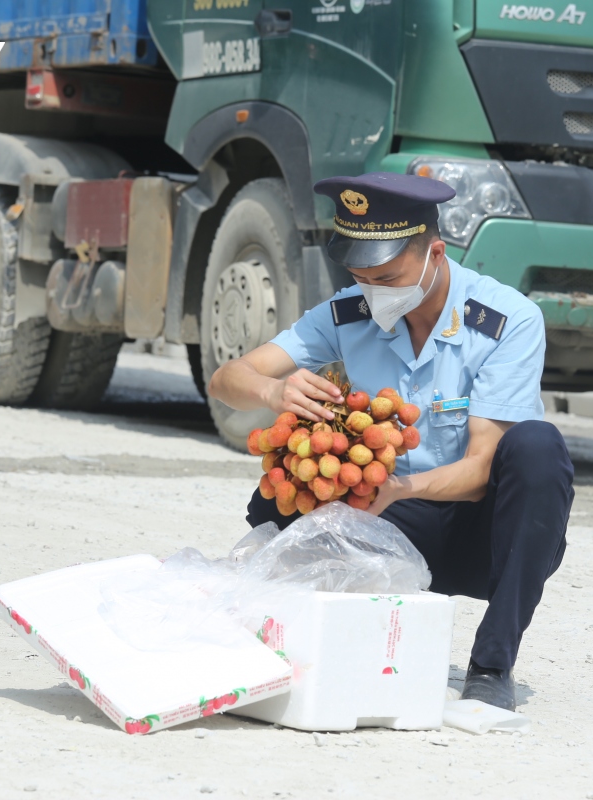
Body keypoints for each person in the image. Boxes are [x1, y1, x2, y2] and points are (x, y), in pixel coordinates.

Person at [208, 172, 574, 711]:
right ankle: (295, 628)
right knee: (287, 483)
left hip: (486, 537)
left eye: (386, 274)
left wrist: (397, 488)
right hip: (395, 525)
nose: (372, 289)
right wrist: (273, 388)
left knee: (539, 448)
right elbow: (227, 380)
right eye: (360, 275)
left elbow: (480, 469)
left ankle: (493, 664)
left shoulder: (507, 321)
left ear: (434, 252)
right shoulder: (348, 314)